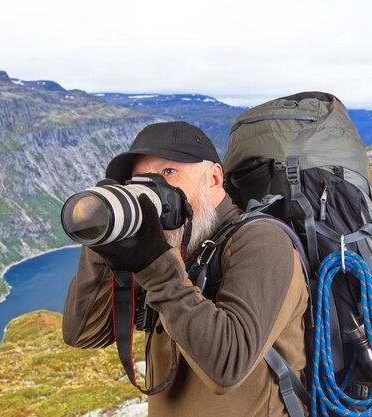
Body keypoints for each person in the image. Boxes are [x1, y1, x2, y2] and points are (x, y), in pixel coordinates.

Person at [62, 121, 308, 417]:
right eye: (140, 180)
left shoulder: (263, 241)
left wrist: (156, 266)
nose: (153, 189)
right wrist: (105, 239)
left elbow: (228, 366)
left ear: (214, 179)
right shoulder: (175, 246)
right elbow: (83, 334)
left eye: (168, 172)